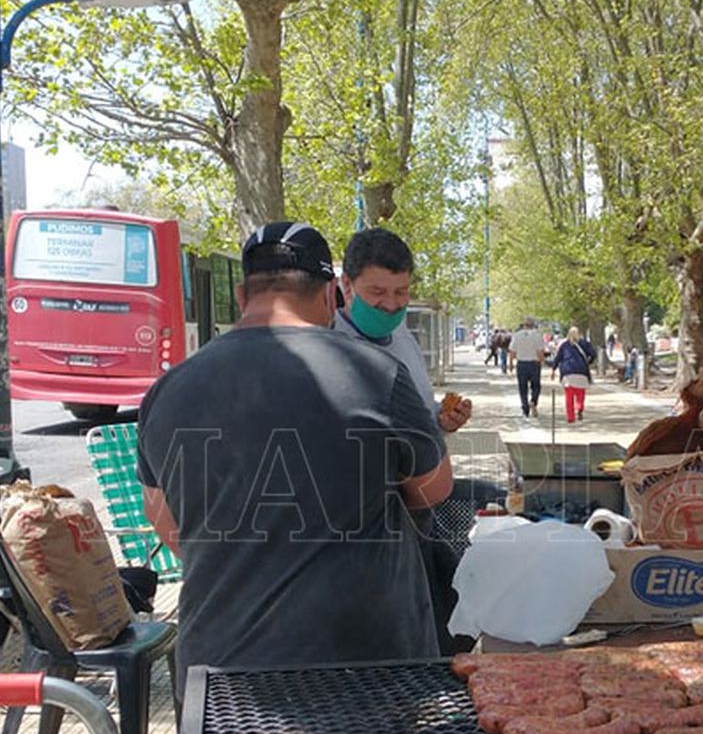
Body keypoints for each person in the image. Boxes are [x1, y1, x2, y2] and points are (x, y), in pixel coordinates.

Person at [136, 221, 453, 694]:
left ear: (243, 295)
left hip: (220, 675)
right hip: (364, 667)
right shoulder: (375, 373)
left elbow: (166, 522)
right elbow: (435, 487)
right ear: (332, 295)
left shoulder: (167, 391)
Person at [333, 227, 471, 432]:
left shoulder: (403, 336)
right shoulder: (326, 345)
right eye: (377, 292)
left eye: (401, 292)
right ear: (346, 285)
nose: (391, 305)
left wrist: (441, 420)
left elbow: (420, 411)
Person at [552, 326, 596, 423]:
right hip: (581, 371)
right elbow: (593, 354)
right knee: (580, 393)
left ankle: (570, 417)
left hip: (568, 372)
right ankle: (579, 407)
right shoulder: (585, 343)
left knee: (569, 397)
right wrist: (588, 362)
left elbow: (558, 358)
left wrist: (553, 369)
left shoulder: (565, 345)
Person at [510, 318, 545, 418]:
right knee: (536, 386)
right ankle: (533, 400)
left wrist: (511, 364)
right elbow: (540, 352)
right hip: (534, 363)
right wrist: (542, 361)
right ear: (533, 325)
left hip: (521, 364)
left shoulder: (517, 335)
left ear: (523, 325)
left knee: (522, 387)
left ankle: (525, 408)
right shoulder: (537, 335)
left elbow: (512, 351)